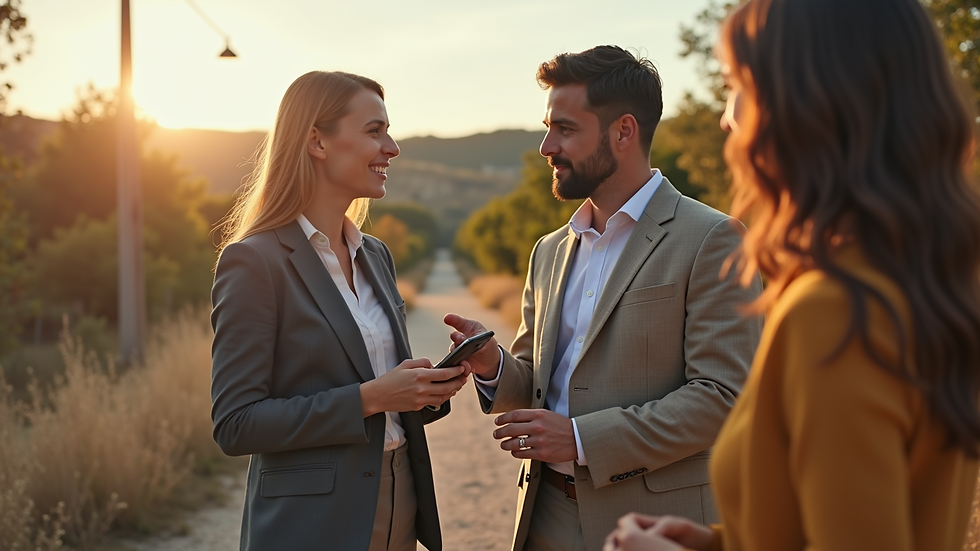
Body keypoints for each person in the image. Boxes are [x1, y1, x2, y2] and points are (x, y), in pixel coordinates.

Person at [603, 1, 980, 550]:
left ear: (802, 107)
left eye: (736, 85)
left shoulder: (834, 312)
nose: (726, 117)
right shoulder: (926, 280)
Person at [445, 46, 764, 551]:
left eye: (565, 129)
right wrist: (494, 366)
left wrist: (579, 439)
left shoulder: (714, 238)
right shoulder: (548, 251)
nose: (547, 146)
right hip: (544, 516)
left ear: (623, 132)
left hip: (654, 524)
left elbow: (724, 397)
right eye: (547, 128)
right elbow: (538, 385)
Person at [210, 71, 468, 551]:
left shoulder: (375, 255)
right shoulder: (254, 261)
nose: (392, 148)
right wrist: (371, 398)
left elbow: (383, 400)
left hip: (400, 503)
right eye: (374, 131)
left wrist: (421, 392)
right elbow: (236, 423)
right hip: (313, 523)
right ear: (317, 142)